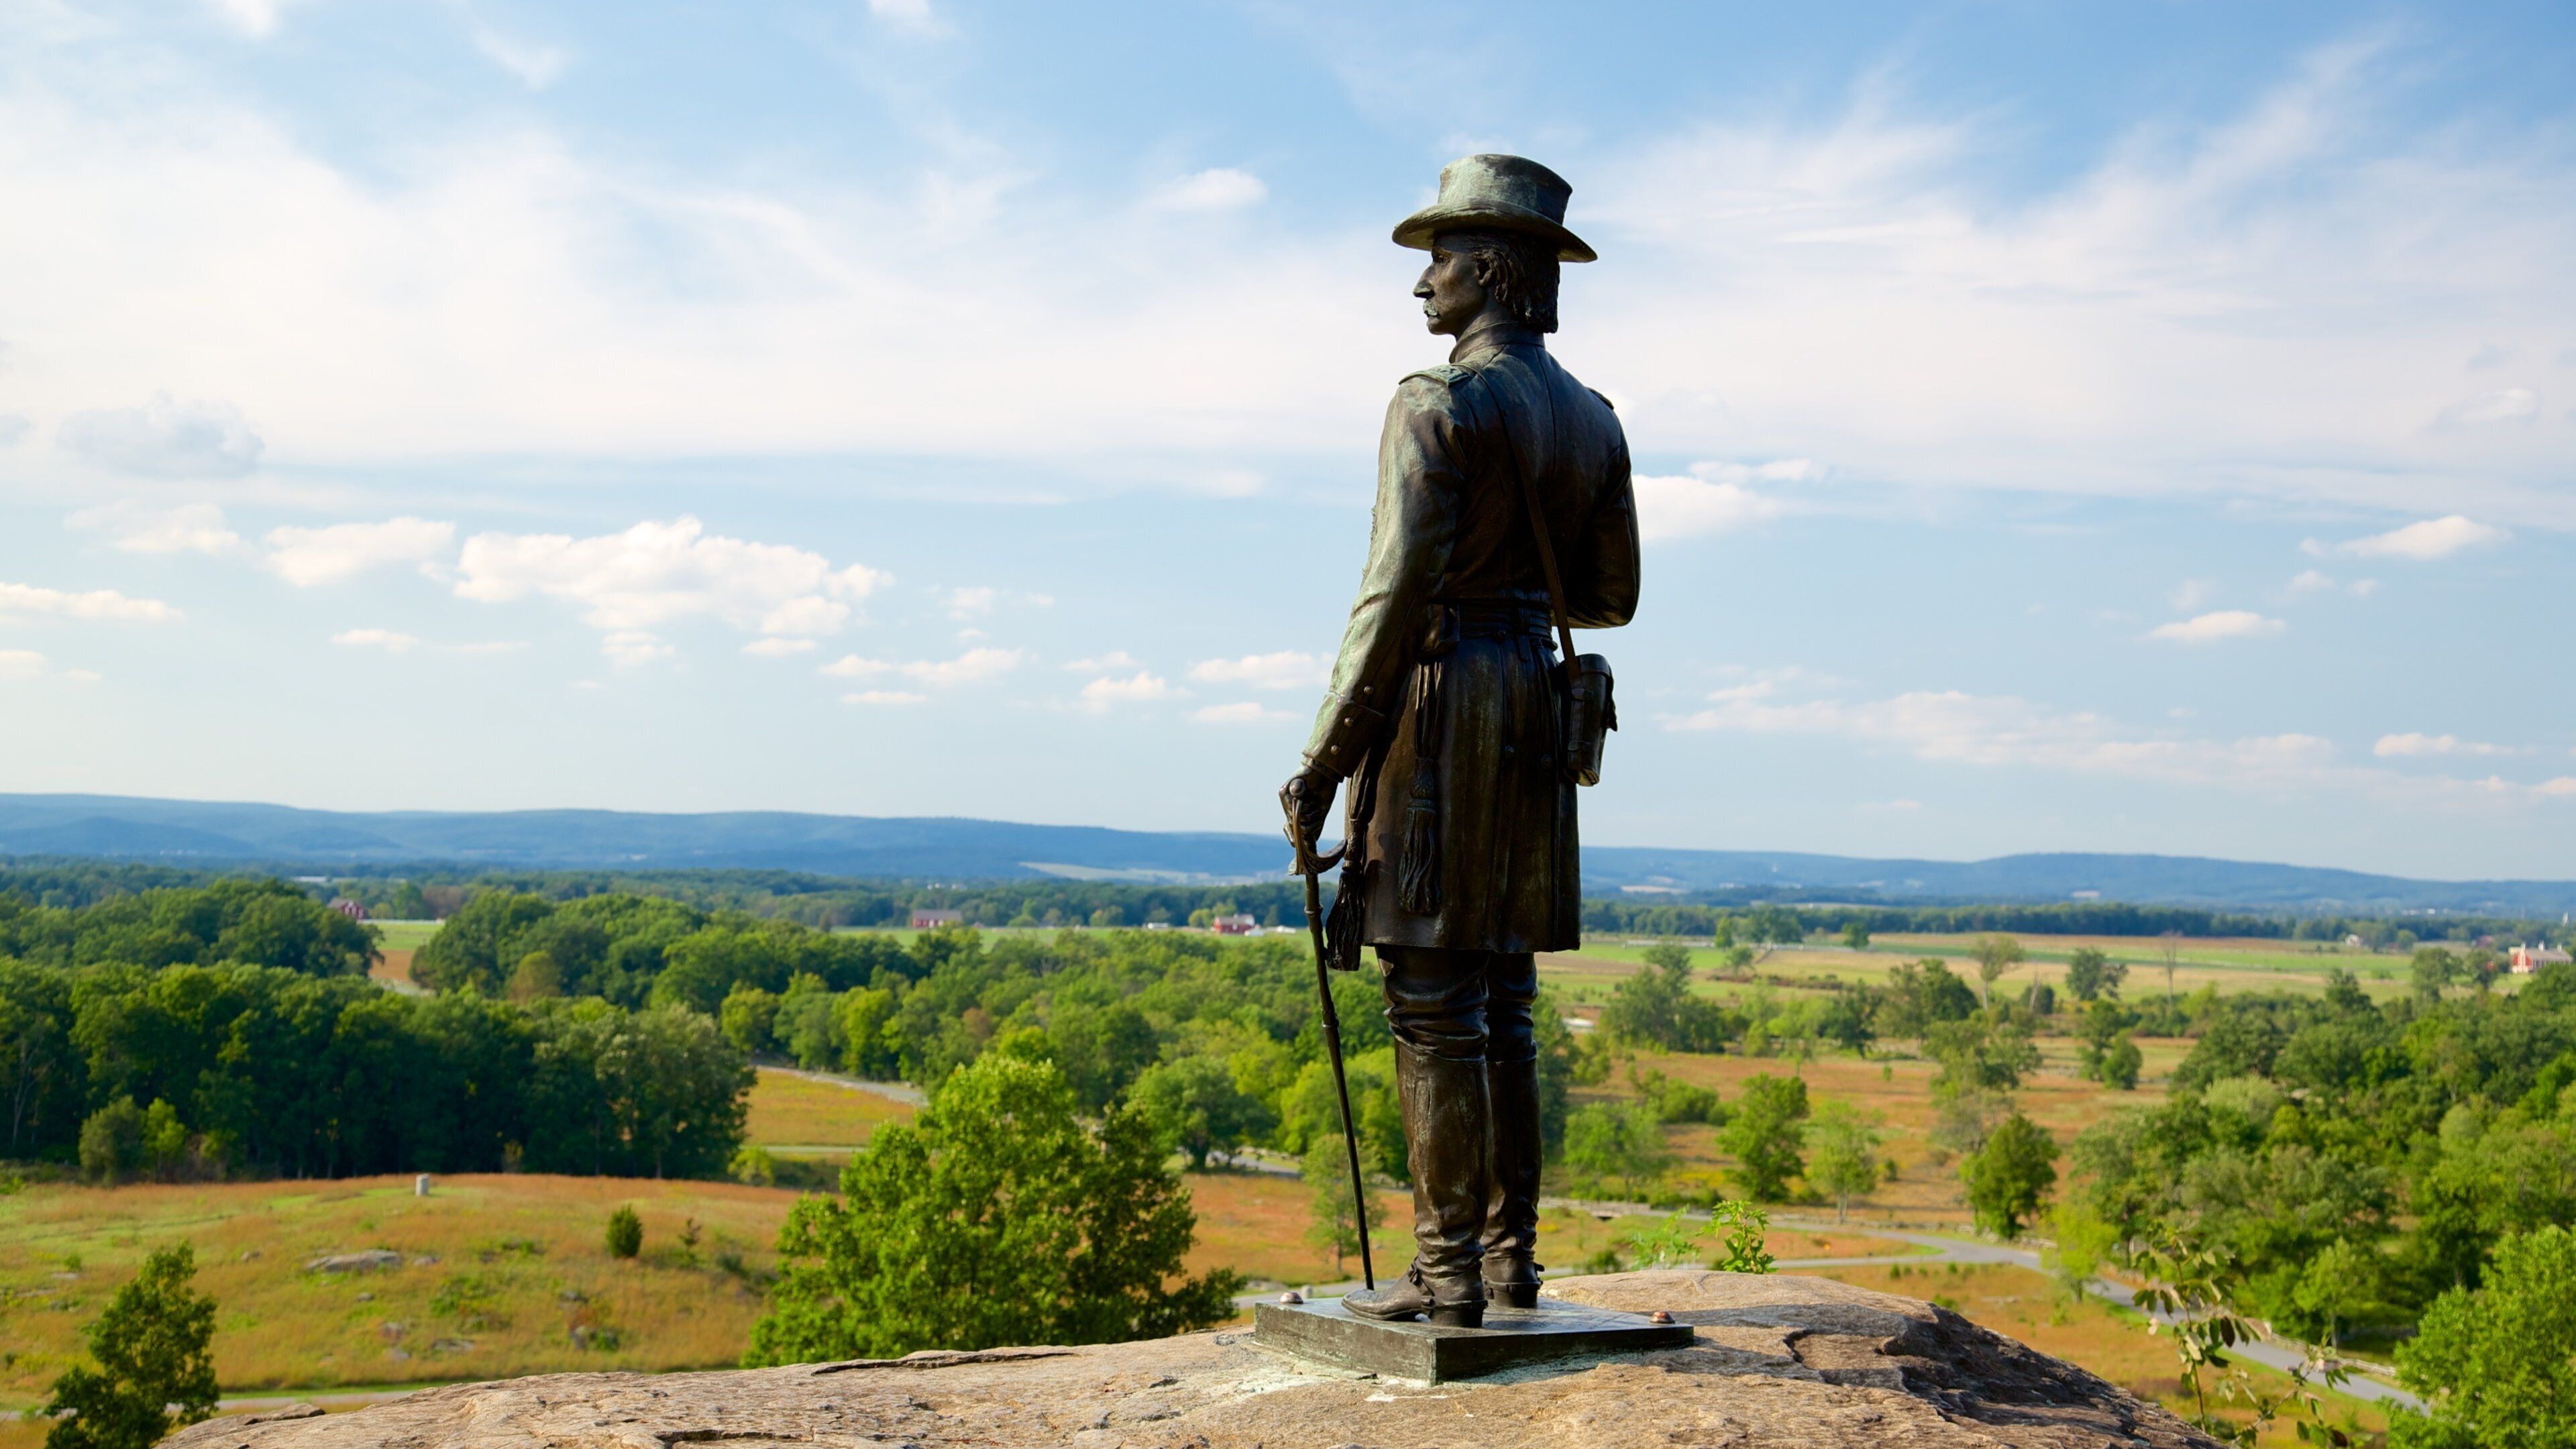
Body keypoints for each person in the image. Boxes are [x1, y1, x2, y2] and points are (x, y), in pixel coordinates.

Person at [1280, 154, 1639, 1326]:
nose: (1421, 282)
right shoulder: (1593, 419)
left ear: (1489, 269)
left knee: (1436, 1005)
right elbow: (1610, 593)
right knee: (1507, 1001)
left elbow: (1390, 596)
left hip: (1439, 711)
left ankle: (1444, 1282)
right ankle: (1508, 1264)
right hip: (1531, 709)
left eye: (1438, 258)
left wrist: (1327, 755)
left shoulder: (1434, 404)